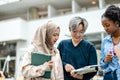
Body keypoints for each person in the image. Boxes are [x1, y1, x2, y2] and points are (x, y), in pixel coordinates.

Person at [100, 5, 120, 80]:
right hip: (108, 77)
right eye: (103, 26)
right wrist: (105, 60)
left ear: (117, 23)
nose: (105, 28)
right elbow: (102, 65)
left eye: (107, 25)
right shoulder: (105, 41)